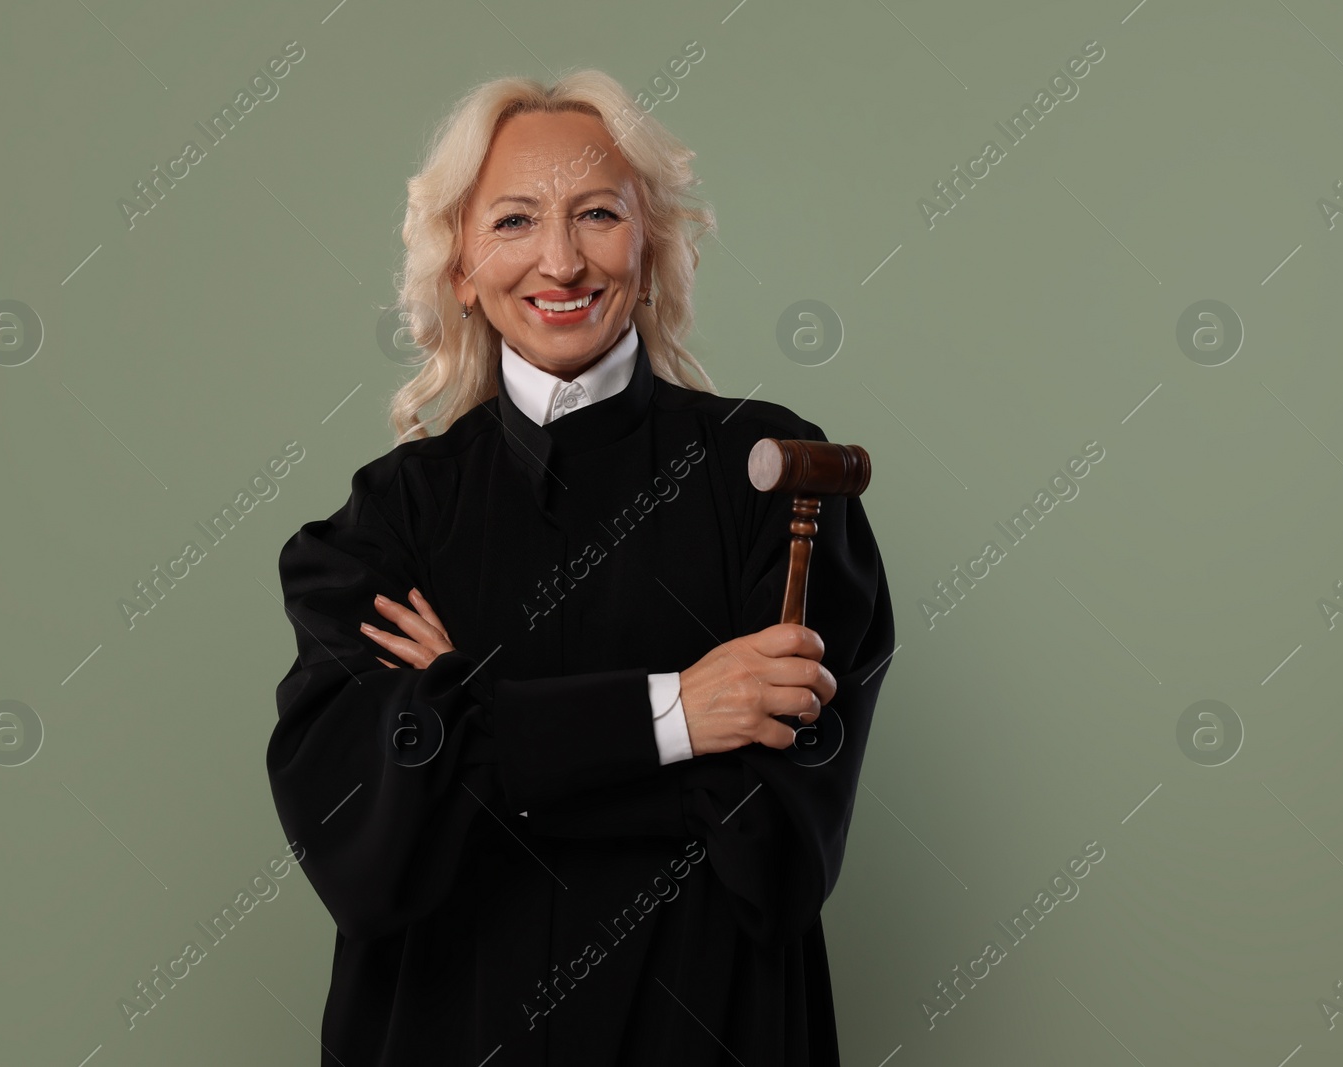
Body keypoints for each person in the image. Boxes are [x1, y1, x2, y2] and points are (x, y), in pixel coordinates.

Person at [266, 67, 896, 1067]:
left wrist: (470, 716)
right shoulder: (383, 523)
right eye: (514, 220)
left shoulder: (776, 483)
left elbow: (772, 852)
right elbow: (366, 858)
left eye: (596, 213)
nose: (559, 261)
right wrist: (682, 713)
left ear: (647, 249)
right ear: (461, 266)